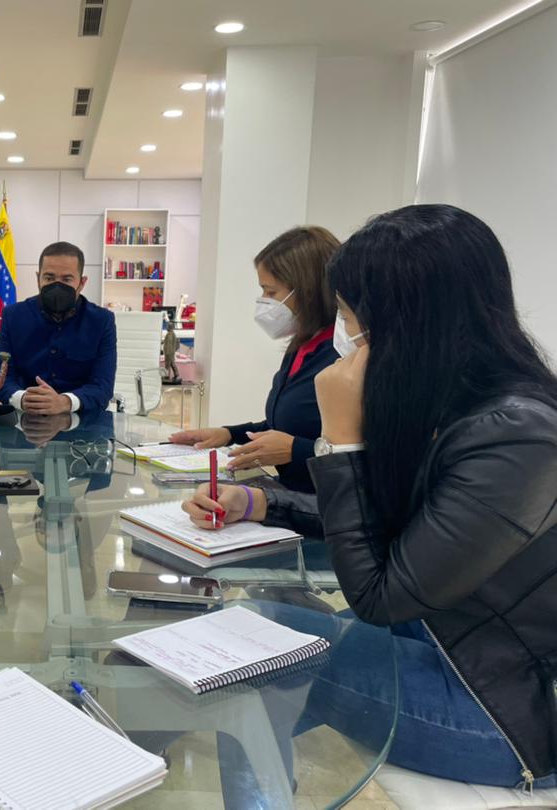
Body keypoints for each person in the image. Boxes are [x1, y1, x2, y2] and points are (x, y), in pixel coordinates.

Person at [184, 205, 557, 789]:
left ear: (406, 319)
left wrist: (341, 442)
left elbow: (379, 598)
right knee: (251, 644)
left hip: (501, 708)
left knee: (246, 651)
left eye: (349, 313)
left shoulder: (517, 434)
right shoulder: (455, 402)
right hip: (443, 641)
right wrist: (259, 504)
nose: (346, 331)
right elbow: (392, 518)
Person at [170, 227, 340, 492]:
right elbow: (285, 426)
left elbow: (359, 457)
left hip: (323, 504)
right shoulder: (301, 346)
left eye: (271, 292)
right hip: (289, 495)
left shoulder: (342, 356)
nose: (264, 301)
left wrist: (296, 450)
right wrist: (229, 434)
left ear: (307, 291)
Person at [0, 241, 117, 415]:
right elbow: (1, 377)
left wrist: (65, 402)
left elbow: (103, 386)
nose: (57, 286)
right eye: (49, 278)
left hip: (83, 420)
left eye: (67, 279)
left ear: (82, 283)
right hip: (24, 417)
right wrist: (23, 398)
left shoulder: (102, 321)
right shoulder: (13, 316)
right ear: (38, 279)